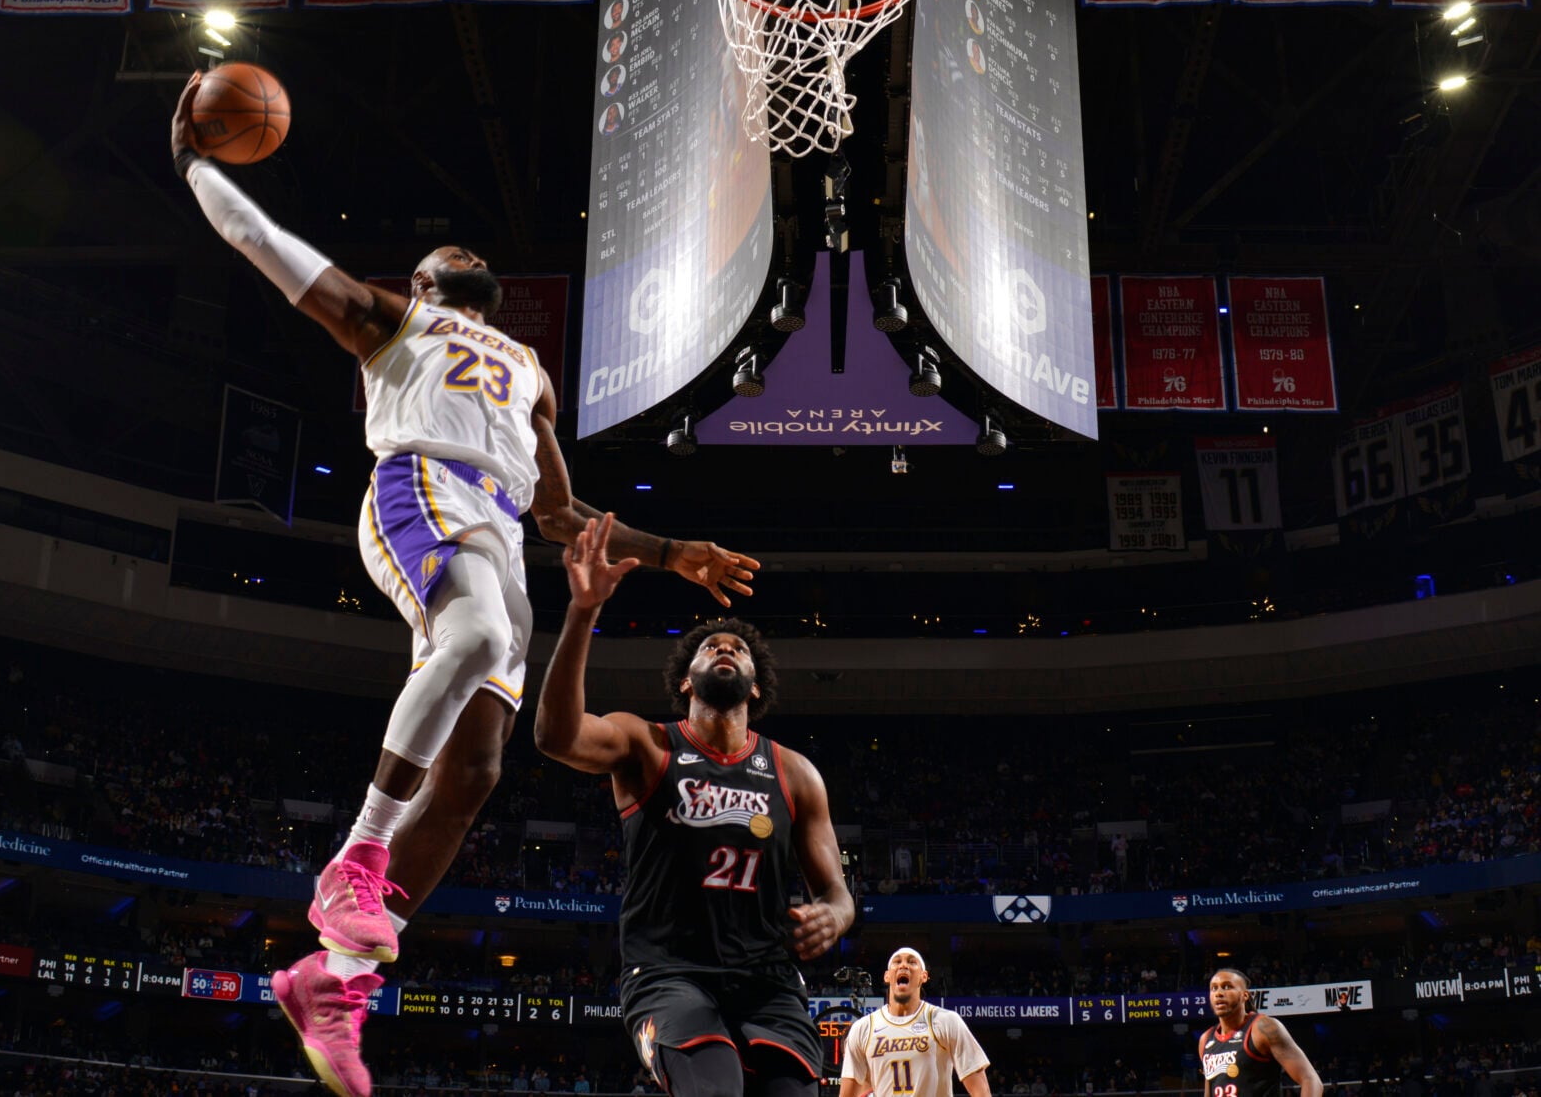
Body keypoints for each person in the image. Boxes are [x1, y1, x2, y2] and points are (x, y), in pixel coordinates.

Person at [170, 85, 759, 1097]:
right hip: (420, 485)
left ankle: (335, 981)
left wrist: (671, 554)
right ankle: (357, 858)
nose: (467, 249)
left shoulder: (529, 368)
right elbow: (262, 242)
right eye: (448, 251)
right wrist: (194, 164)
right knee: (479, 635)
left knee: (476, 769)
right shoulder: (395, 318)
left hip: (500, 533)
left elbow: (561, 513)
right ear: (425, 279)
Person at [535, 515, 848, 1097]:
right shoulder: (646, 744)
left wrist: (835, 915)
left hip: (769, 981)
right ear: (686, 681)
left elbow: (838, 894)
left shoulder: (796, 773)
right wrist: (582, 613)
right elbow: (556, 737)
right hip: (668, 975)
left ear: (756, 685)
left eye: (738, 648)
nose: (725, 647)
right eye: (710, 647)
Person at [839, 948, 992, 1097]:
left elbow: (981, 1091)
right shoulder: (863, 1028)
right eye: (897, 961)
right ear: (887, 976)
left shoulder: (946, 1021)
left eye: (912, 962)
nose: (903, 965)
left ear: (923, 976)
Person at [1199, 969, 1324, 1097]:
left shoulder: (1263, 1028)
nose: (1218, 993)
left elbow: (1310, 1079)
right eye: (1214, 988)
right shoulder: (1206, 1039)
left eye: (1227, 987)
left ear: (1245, 995)